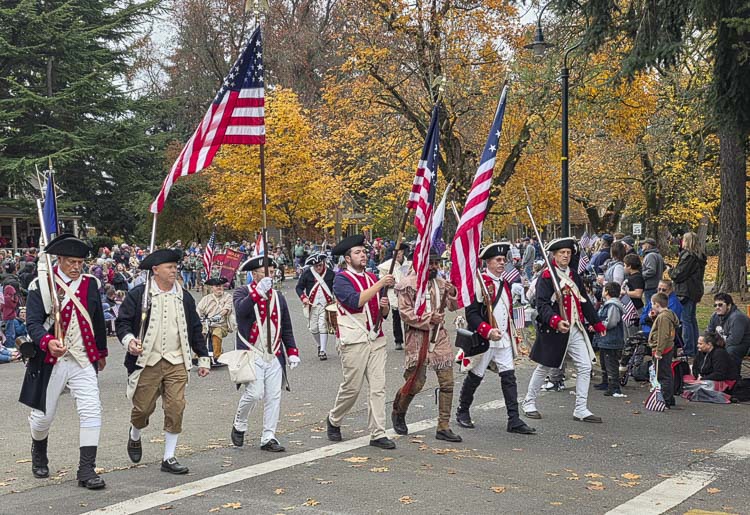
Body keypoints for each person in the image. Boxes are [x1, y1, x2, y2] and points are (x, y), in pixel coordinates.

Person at [20, 234, 108, 489]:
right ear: (58, 259)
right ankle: (39, 449)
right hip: (51, 360)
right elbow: (33, 323)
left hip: (82, 358)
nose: (76, 267)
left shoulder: (91, 284)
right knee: (42, 418)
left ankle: (86, 469)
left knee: (92, 411)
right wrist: (47, 341)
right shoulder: (42, 285)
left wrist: (100, 352)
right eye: (71, 261)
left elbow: (98, 321)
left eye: (80, 262)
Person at [116, 248, 211, 475]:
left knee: (176, 406)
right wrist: (129, 341)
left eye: (175, 267)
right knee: (142, 409)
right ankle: (135, 433)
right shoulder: (139, 295)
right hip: (147, 360)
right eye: (169, 267)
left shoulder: (184, 297)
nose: (174, 270)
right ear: (155, 270)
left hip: (177, 360)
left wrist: (204, 357)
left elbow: (195, 329)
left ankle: (169, 457)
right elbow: (122, 323)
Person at [454, 242, 536, 435]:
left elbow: (507, 311)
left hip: (503, 338)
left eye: (503, 260)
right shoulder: (479, 283)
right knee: (475, 376)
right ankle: (462, 411)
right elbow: (471, 314)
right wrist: (487, 330)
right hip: (485, 339)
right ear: (487, 262)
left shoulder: (504, 284)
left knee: (509, 377)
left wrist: (514, 331)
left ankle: (514, 419)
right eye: (497, 260)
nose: (502, 263)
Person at [522, 237, 606, 423]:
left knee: (585, 366)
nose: (566, 256)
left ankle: (581, 409)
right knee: (544, 366)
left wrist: (597, 323)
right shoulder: (546, 276)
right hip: (555, 329)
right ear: (554, 255)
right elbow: (542, 305)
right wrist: (555, 320)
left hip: (575, 327)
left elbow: (584, 301)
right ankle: (529, 402)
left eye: (568, 253)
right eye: (562, 253)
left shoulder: (574, 275)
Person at [326, 234, 397, 450]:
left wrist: (384, 304)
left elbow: (382, 313)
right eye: (357, 252)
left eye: (364, 252)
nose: (363, 255)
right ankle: (334, 418)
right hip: (354, 339)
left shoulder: (372, 278)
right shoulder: (341, 279)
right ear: (347, 258)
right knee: (352, 388)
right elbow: (355, 301)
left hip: (376, 339)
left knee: (378, 387)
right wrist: (380, 285)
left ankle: (378, 432)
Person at [231, 256, 300, 452]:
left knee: (273, 396)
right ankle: (240, 423)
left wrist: (292, 351)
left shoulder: (279, 296)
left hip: (274, 353)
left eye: (271, 270)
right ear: (254, 274)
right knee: (254, 393)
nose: (270, 273)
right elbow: (241, 312)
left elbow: (285, 326)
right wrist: (257, 293)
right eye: (265, 270)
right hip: (252, 353)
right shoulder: (243, 292)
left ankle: (268, 436)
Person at [392, 250, 462, 442]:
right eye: (430, 263)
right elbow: (405, 313)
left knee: (447, 382)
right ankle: (399, 411)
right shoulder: (407, 285)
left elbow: (453, 306)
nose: (434, 267)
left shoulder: (440, 283)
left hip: (439, 336)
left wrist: (453, 292)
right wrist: (428, 318)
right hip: (418, 337)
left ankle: (443, 426)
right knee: (415, 382)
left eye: (436, 263)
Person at [668, 232, 706, 357]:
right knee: (691, 319)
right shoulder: (699, 256)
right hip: (694, 289)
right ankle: (695, 347)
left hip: (686, 290)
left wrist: (670, 270)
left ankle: (689, 349)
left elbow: (678, 274)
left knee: (686, 320)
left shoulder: (688, 256)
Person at [295, 253, 335, 360]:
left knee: (323, 325)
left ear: (324, 263)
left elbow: (336, 288)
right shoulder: (307, 274)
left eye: (320, 265)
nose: (318, 268)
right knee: (313, 328)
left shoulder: (331, 274)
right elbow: (299, 288)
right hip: (312, 305)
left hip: (326, 305)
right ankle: (319, 345)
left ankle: (323, 350)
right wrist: (303, 297)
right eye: (316, 266)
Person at [682, 332, 738, 403]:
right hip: (705, 379)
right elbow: (695, 368)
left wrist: (702, 378)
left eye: (700, 344)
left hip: (721, 381)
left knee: (705, 385)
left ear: (709, 344)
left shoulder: (719, 353)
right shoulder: (701, 352)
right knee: (683, 380)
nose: (697, 346)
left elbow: (720, 374)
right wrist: (698, 376)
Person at [647, 292, 680, 408]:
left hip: (663, 349)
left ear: (656, 304)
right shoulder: (667, 315)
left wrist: (659, 351)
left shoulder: (663, 317)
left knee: (663, 375)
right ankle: (669, 398)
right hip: (666, 348)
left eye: (652, 304)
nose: (651, 306)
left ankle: (665, 399)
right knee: (666, 373)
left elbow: (663, 334)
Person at [707, 293, 750, 379]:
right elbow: (709, 332)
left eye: (720, 305)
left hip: (743, 345)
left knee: (730, 351)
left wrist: (717, 347)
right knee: (704, 346)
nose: (717, 307)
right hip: (723, 343)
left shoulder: (737, 317)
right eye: (715, 305)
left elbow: (734, 340)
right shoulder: (715, 316)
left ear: (729, 306)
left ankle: (733, 378)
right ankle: (708, 374)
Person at [594, 282, 626, 397]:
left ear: (607, 291)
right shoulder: (607, 304)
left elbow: (612, 321)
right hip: (605, 339)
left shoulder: (612, 305)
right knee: (604, 361)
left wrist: (600, 325)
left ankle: (614, 386)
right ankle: (605, 381)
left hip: (611, 339)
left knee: (611, 362)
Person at [378, 243, 410, 350]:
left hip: (407, 295)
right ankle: (398, 340)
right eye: (395, 252)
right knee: (396, 318)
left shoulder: (410, 264)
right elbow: (382, 280)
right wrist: (389, 282)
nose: (398, 254)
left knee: (409, 318)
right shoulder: (387, 266)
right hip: (394, 295)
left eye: (400, 251)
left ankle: (409, 339)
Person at [196, 277, 233, 367]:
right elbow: (198, 310)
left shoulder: (228, 297)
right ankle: (198, 357)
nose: (219, 288)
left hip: (221, 325)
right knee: (201, 335)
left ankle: (217, 357)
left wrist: (219, 315)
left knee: (216, 333)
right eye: (217, 286)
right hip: (207, 324)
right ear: (212, 288)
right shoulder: (206, 298)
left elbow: (227, 308)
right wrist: (198, 318)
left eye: (220, 286)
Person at [622, 254, 645, 338]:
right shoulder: (630, 277)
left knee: (634, 336)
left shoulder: (637, 277)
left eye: (624, 265)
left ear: (630, 266)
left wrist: (624, 292)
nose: (623, 267)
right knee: (627, 336)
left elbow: (638, 294)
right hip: (627, 310)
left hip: (635, 310)